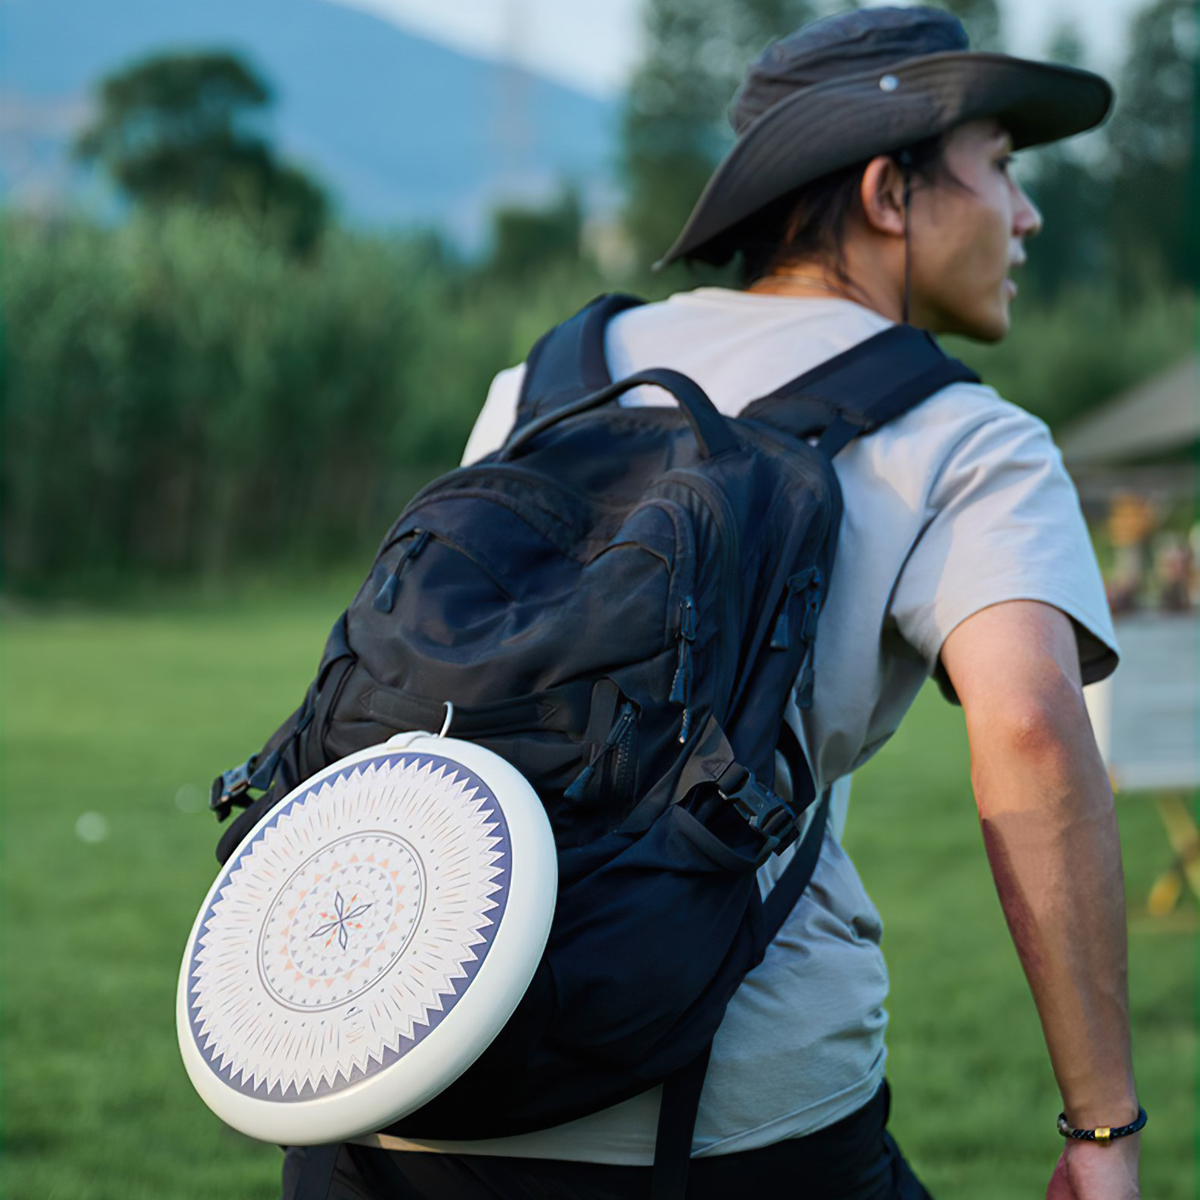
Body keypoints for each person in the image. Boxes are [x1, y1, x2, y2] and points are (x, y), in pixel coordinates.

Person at [296, 8, 1141, 1198]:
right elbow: (1034, 731)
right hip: (731, 1131)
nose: (1026, 214)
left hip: (398, 1063)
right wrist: (1104, 1129)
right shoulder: (964, 437)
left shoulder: (548, 380)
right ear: (888, 194)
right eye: (1000, 167)